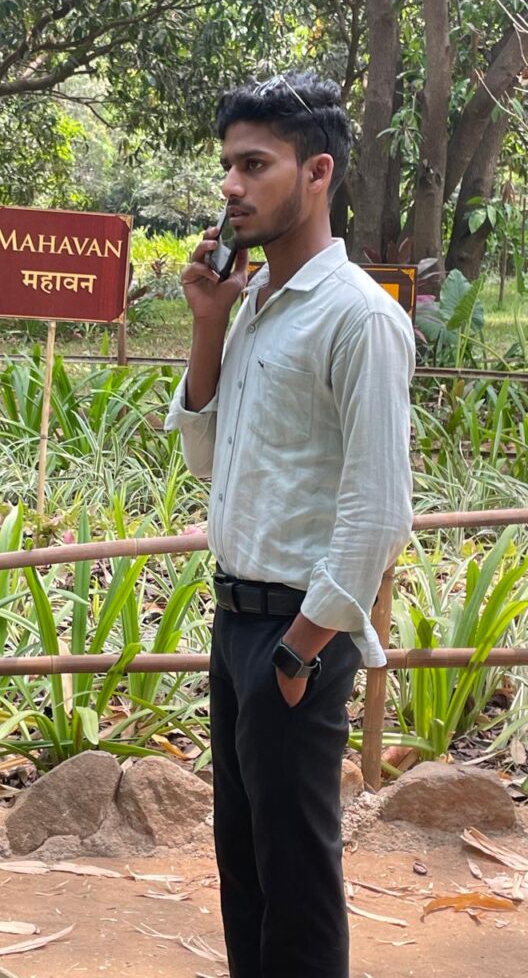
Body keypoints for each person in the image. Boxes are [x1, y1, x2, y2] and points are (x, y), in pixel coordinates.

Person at [164, 71, 415, 978]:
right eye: (229, 164)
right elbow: (205, 459)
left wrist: (300, 652)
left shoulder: (358, 321)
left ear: (317, 173)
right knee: (247, 876)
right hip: (238, 624)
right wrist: (206, 325)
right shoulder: (255, 309)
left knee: (298, 888)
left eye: (253, 164)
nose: (231, 185)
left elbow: (380, 507)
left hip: (294, 639)